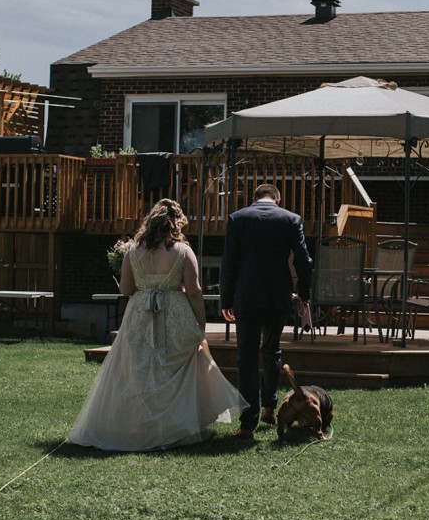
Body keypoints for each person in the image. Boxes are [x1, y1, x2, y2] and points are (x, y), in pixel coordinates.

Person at [68, 198, 245, 451]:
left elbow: (127, 289)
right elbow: (194, 291)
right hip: (174, 313)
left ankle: (138, 427)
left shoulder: (132, 250)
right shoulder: (183, 252)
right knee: (174, 366)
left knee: (140, 369)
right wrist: (200, 324)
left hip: (140, 314)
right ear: (176, 223)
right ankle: (174, 427)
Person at [220, 184, 313, 440]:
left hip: (247, 296)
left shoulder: (238, 218)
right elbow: (304, 261)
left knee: (247, 357)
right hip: (277, 296)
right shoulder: (291, 219)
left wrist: (226, 299)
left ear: (254, 199)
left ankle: (247, 426)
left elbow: (228, 262)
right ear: (277, 198)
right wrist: (303, 295)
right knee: (272, 350)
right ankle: (269, 407)